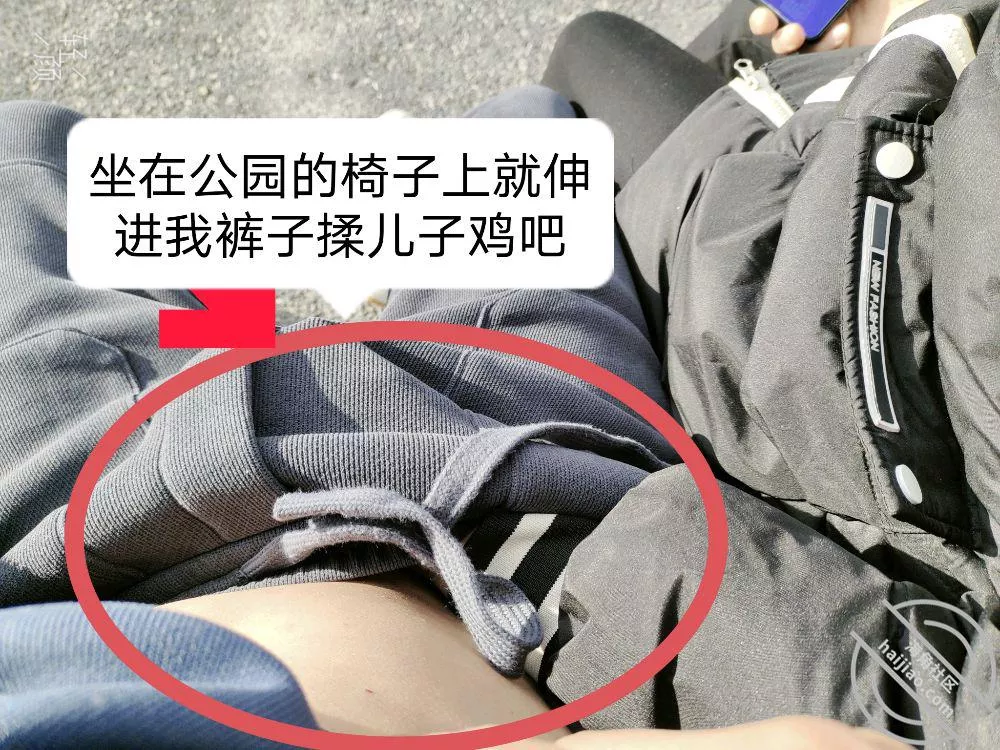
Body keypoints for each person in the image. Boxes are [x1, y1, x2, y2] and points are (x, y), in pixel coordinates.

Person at [2, 1, 998, 749]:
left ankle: (252, 319)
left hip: (156, 530)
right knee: (531, 129)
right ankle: (265, 317)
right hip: (513, 511)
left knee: (28, 169)